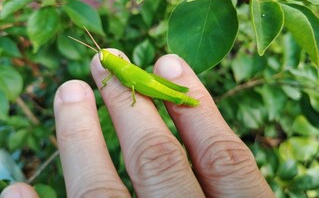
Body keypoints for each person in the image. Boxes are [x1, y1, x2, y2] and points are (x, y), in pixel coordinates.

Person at [1, 50, 274, 198]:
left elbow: (129, 82)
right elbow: (116, 75)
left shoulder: (117, 72)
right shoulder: (115, 68)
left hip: (146, 83)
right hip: (143, 79)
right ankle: (183, 97)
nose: (106, 65)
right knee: (149, 84)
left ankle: (186, 98)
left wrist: (130, 93)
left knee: (161, 89)